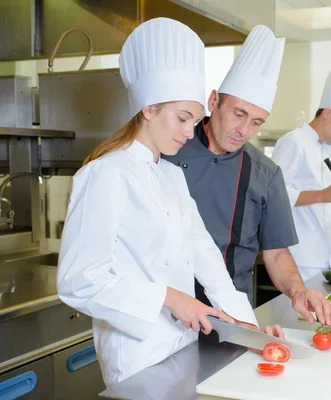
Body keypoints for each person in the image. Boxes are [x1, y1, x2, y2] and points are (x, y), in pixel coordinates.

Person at [57, 18, 280, 387]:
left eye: (194, 121)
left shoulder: (171, 175)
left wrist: (248, 328)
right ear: (148, 109)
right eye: (181, 118)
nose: (189, 132)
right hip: (136, 359)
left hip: (182, 350)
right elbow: (78, 282)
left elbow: (206, 257)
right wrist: (168, 298)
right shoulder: (106, 175)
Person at [164, 25, 331, 325]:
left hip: (230, 315)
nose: (243, 130)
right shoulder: (169, 147)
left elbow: (276, 251)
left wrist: (297, 291)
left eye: (256, 122)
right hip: (164, 311)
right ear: (214, 100)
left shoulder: (266, 174)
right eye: (238, 114)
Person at [272, 64, 331, 281]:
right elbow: (274, 195)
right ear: (326, 113)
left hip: (325, 256)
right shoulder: (294, 141)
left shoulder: (325, 149)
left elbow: (315, 206)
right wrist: (323, 195)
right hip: (301, 258)